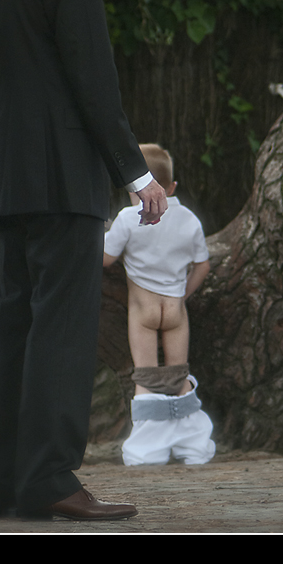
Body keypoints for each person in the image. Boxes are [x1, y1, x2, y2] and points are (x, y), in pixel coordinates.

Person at [0, 0, 168, 521]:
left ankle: (3, 479)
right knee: (59, 328)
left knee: (16, 324)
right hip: (60, 180)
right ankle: (50, 475)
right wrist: (137, 174)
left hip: (5, 179)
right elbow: (92, 79)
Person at [103, 143, 215, 466]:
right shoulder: (189, 219)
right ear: (173, 186)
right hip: (176, 312)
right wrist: (182, 295)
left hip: (144, 313)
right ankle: (192, 447)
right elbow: (203, 265)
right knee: (179, 378)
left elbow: (106, 259)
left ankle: (146, 452)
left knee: (147, 379)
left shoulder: (128, 218)